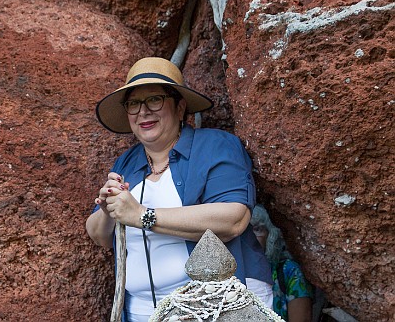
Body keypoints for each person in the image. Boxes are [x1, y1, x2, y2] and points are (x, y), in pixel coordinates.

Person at [85, 57, 272, 321]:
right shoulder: (126, 162)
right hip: (140, 312)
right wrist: (107, 210)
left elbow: (233, 219)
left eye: (154, 100)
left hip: (217, 306)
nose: (143, 112)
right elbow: (100, 236)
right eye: (134, 103)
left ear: (180, 105)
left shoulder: (215, 146)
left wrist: (140, 215)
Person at [251, 204, 314, 322]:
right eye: (246, 233)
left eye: (257, 229)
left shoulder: (288, 270)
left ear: (270, 234)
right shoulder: (230, 270)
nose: (251, 238)